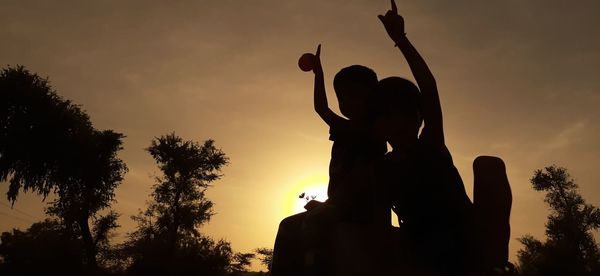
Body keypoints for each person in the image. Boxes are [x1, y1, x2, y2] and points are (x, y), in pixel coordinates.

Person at [375, 0, 474, 273]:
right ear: (378, 125)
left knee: (488, 165)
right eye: (387, 115)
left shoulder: (430, 146)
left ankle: (495, 263)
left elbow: (428, 87)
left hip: (462, 243)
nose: (398, 123)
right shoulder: (383, 167)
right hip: (419, 250)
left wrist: (401, 39)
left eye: (406, 113)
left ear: (419, 118)